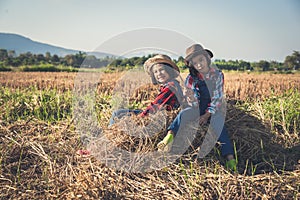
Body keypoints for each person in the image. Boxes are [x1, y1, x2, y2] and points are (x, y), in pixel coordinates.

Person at [157, 44, 237, 172]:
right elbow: (193, 103)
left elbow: (217, 98)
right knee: (184, 114)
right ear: (192, 65)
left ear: (207, 59)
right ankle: (169, 136)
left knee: (219, 126)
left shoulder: (217, 75)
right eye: (195, 63)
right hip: (197, 107)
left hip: (213, 108)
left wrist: (206, 115)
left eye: (201, 60)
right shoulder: (190, 79)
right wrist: (190, 98)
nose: (199, 64)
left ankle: (230, 158)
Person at [108, 54, 184, 126]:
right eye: (156, 72)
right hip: (159, 116)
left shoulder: (170, 87)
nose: (159, 74)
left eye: (161, 70)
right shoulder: (170, 84)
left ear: (169, 70)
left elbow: (154, 107)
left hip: (158, 119)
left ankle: (109, 136)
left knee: (117, 113)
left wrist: (138, 119)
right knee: (125, 112)